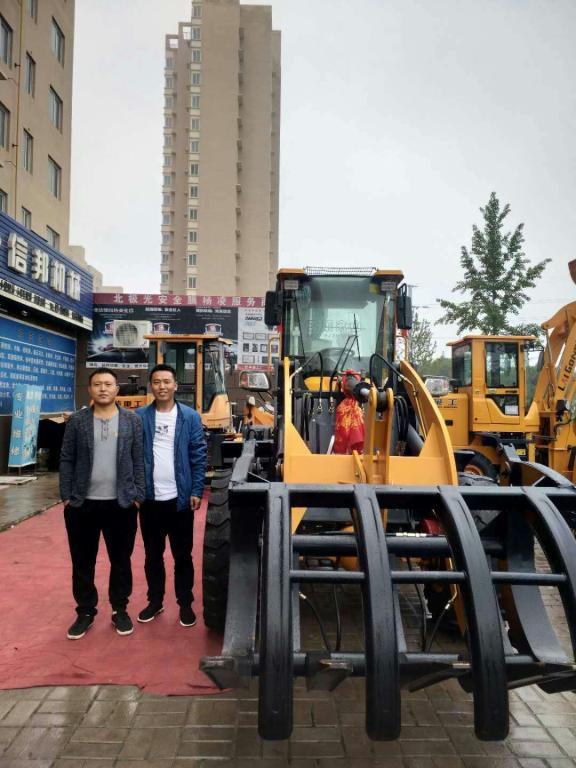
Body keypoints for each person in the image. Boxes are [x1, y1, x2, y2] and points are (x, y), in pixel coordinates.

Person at [60, 367, 145, 640]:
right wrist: (66, 496)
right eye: (98, 384)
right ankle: (85, 611)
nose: (103, 389)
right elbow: (67, 458)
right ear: (90, 389)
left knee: (120, 561)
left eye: (108, 384)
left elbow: (138, 459)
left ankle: (120, 609)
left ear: (117, 389)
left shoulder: (132, 420)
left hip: (121, 505)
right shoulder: (77, 421)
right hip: (82, 505)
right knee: (82, 562)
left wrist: (138, 496)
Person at [136, 364, 207, 627]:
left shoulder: (190, 417)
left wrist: (196, 489)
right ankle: (155, 601)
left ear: (176, 385)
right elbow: (132, 455)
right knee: (152, 556)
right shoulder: (140, 417)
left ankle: (185, 604)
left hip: (180, 502)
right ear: (151, 386)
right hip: (150, 501)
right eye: (157, 382)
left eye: (167, 381)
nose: (162, 386)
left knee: (182, 556)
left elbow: (198, 455)